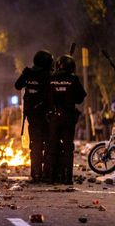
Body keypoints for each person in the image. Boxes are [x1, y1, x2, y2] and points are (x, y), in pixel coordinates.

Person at [45, 55, 86, 184]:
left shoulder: (50, 79)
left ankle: (51, 177)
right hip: (68, 117)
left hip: (53, 117)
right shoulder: (73, 79)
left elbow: (44, 97)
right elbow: (80, 98)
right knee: (68, 148)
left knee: (52, 147)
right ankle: (67, 178)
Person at [14, 50, 53, 183]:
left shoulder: (28, 73)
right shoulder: (48, 75)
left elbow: (17, 85)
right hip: (46, 115)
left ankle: (36, 174)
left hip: (32, 115)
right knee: (48, 144)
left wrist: (27, 77)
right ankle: (48, 174)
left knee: (35, 145)